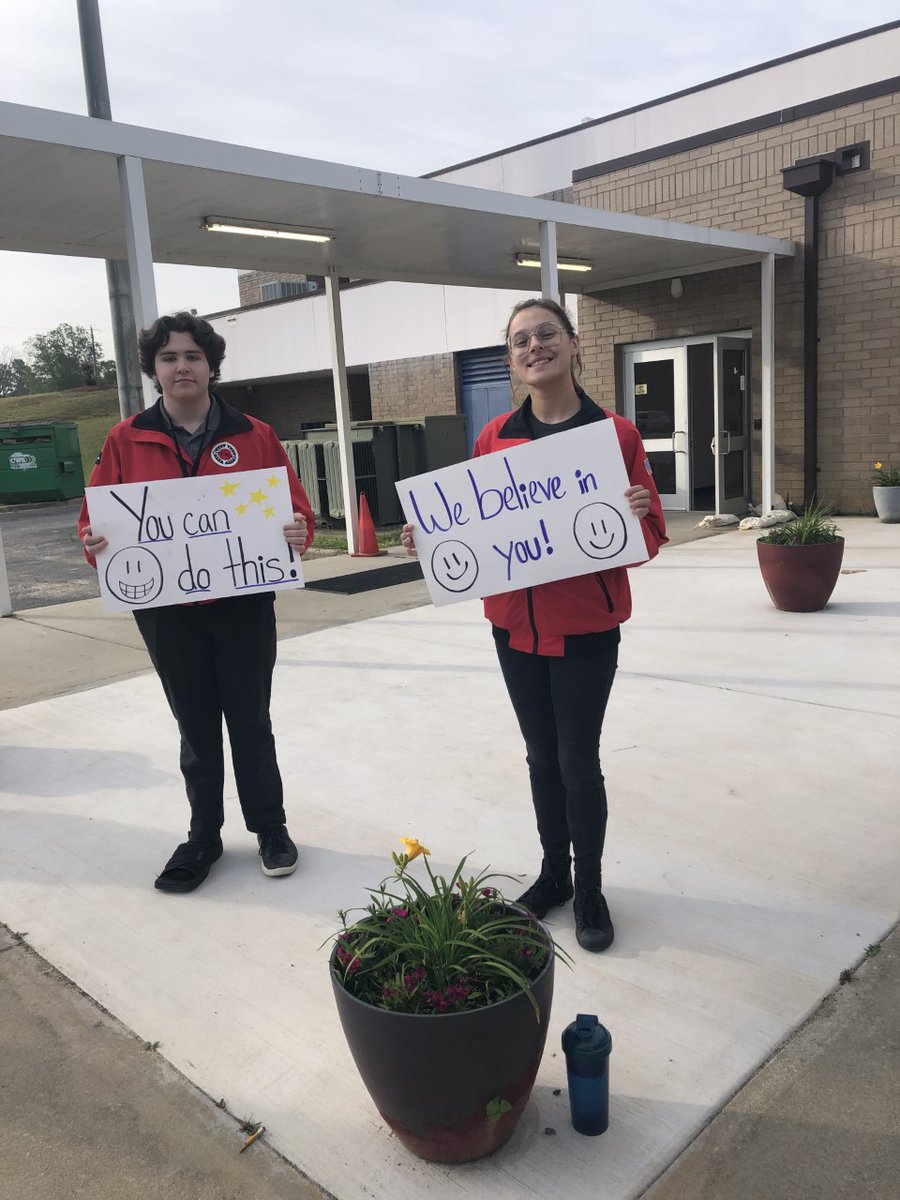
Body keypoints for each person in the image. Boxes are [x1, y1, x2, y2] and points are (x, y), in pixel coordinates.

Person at [401, 298, 666, 951]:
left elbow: (650, 536)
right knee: (541, 758)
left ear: (573, 343)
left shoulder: (616, 437)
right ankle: (554, 875)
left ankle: (592, 887)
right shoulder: (494, 437)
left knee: (578, 759)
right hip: (514, 628)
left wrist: (637, 513)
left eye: (546, 333)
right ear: (512, 359)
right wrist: (431, 536)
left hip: (585, 627)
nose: (533, 347)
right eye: (520, 340)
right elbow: (477, 525)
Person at [78, 312, 315, 894]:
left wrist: (297, 532)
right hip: (168, 615)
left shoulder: (254, 434)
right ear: (154, 370)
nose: (181, 366)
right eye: (168, 358)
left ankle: (270, 828)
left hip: (243, 607)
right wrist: (95, 543)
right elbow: (94, 521)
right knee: (196, 726)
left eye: (191, 356)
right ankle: (203, 836)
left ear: (211, 367)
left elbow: (298, 512)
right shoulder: (124, 438)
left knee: (251, 722)